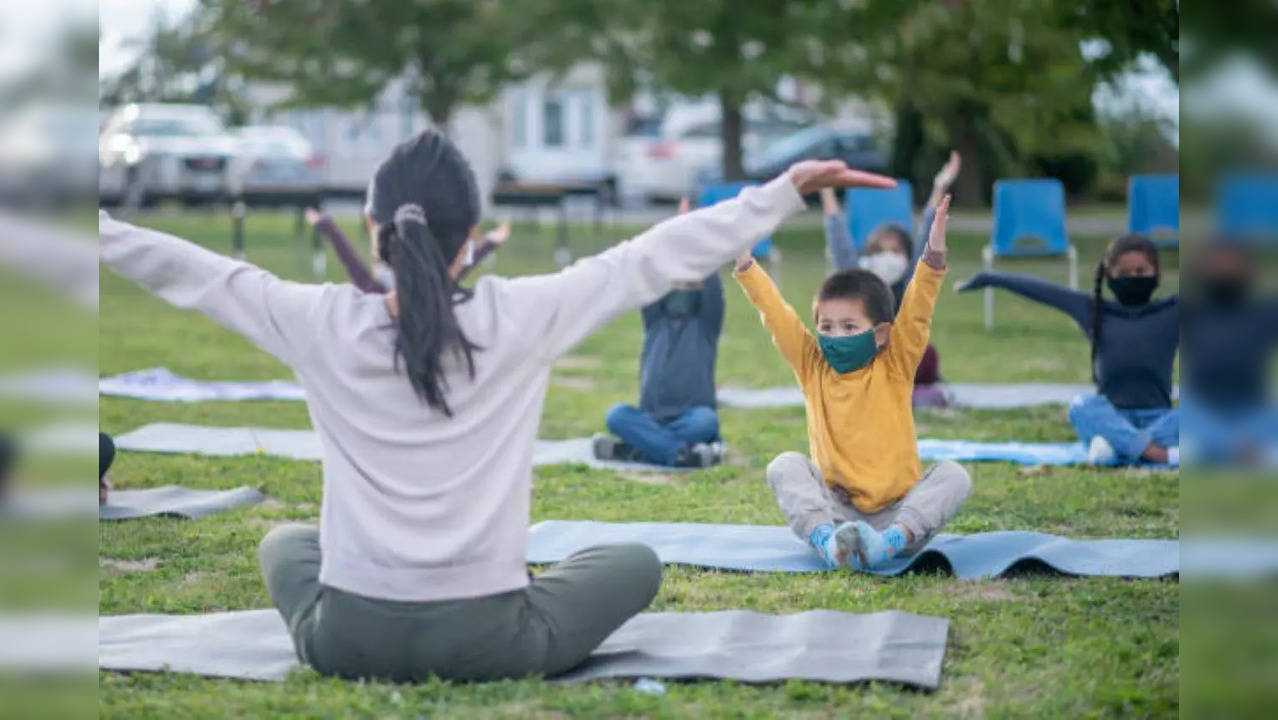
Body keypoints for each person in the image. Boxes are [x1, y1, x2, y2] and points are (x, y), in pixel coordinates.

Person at [99, 129, 895, 682]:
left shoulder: (319, 323)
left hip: (345, 639)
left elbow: (196, 272)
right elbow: (649, 259)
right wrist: (786, 190)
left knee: (284, 542)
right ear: (471, 233)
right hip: (493, 639)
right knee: (634, 562)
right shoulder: (516, 316)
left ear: (371, 228)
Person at [736, 194, 972, 572]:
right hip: (837, 516)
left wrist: (933, 252)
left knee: (954, 476)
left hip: (901, 520)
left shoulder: (894, 365)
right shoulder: (813, 366)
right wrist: (746, 265)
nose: (835, 336)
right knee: (784, 466)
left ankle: (884, 547)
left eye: (849, 327)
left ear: (879, 334)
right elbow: (777, 316)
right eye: (826, 327)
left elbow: (918, 308)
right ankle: (829, 545)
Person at [955, 234, 1179, 465]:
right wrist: (989, 278)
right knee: (1081, 407)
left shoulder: (1174, 310)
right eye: (1124, 273)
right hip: (1109, 417)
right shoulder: (1093, 310)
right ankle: (1156, 453)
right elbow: (1043, 291)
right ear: (1109, 277)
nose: (1133, 278)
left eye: (1141, 272)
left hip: (1160, 419)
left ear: (1158, 275)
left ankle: (1118, 447)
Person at [818, 151, 962, 407]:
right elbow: (838, 238)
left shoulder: (908, 284)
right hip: (864, 365)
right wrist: (826, 189)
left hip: (901, 364)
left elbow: (925, 241)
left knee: (926, 356)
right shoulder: (858, 280)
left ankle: (914, 393)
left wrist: (940, 186)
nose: (887, 257)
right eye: (880, 250)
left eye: (895, 251)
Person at [592, 199, 725, 468]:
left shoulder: (705, 325)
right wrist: (673, 234)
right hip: (650, 417)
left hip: (692, 416)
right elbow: (651, 271)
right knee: (616, 416)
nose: (684, 286)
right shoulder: (656, 321)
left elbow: (711, 280)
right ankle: (682, 453)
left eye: (692, 283)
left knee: (707, 421)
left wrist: (693, 233)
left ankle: (637, 449)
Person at [1181, 240, 1278, 466]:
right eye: (1218, 264)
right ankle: (1241, 450)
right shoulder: (1190, 311)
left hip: (1253, 411)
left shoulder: (1265, 312)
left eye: (1233, 264)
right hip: (1200, 410)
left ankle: (1223, 449)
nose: (1225, 271)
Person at [306, 207, 510, 292]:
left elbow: (352, 262)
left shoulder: (377, 291)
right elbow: (459, 267)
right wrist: (491, 242)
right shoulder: (432, 288)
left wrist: (326, 225)